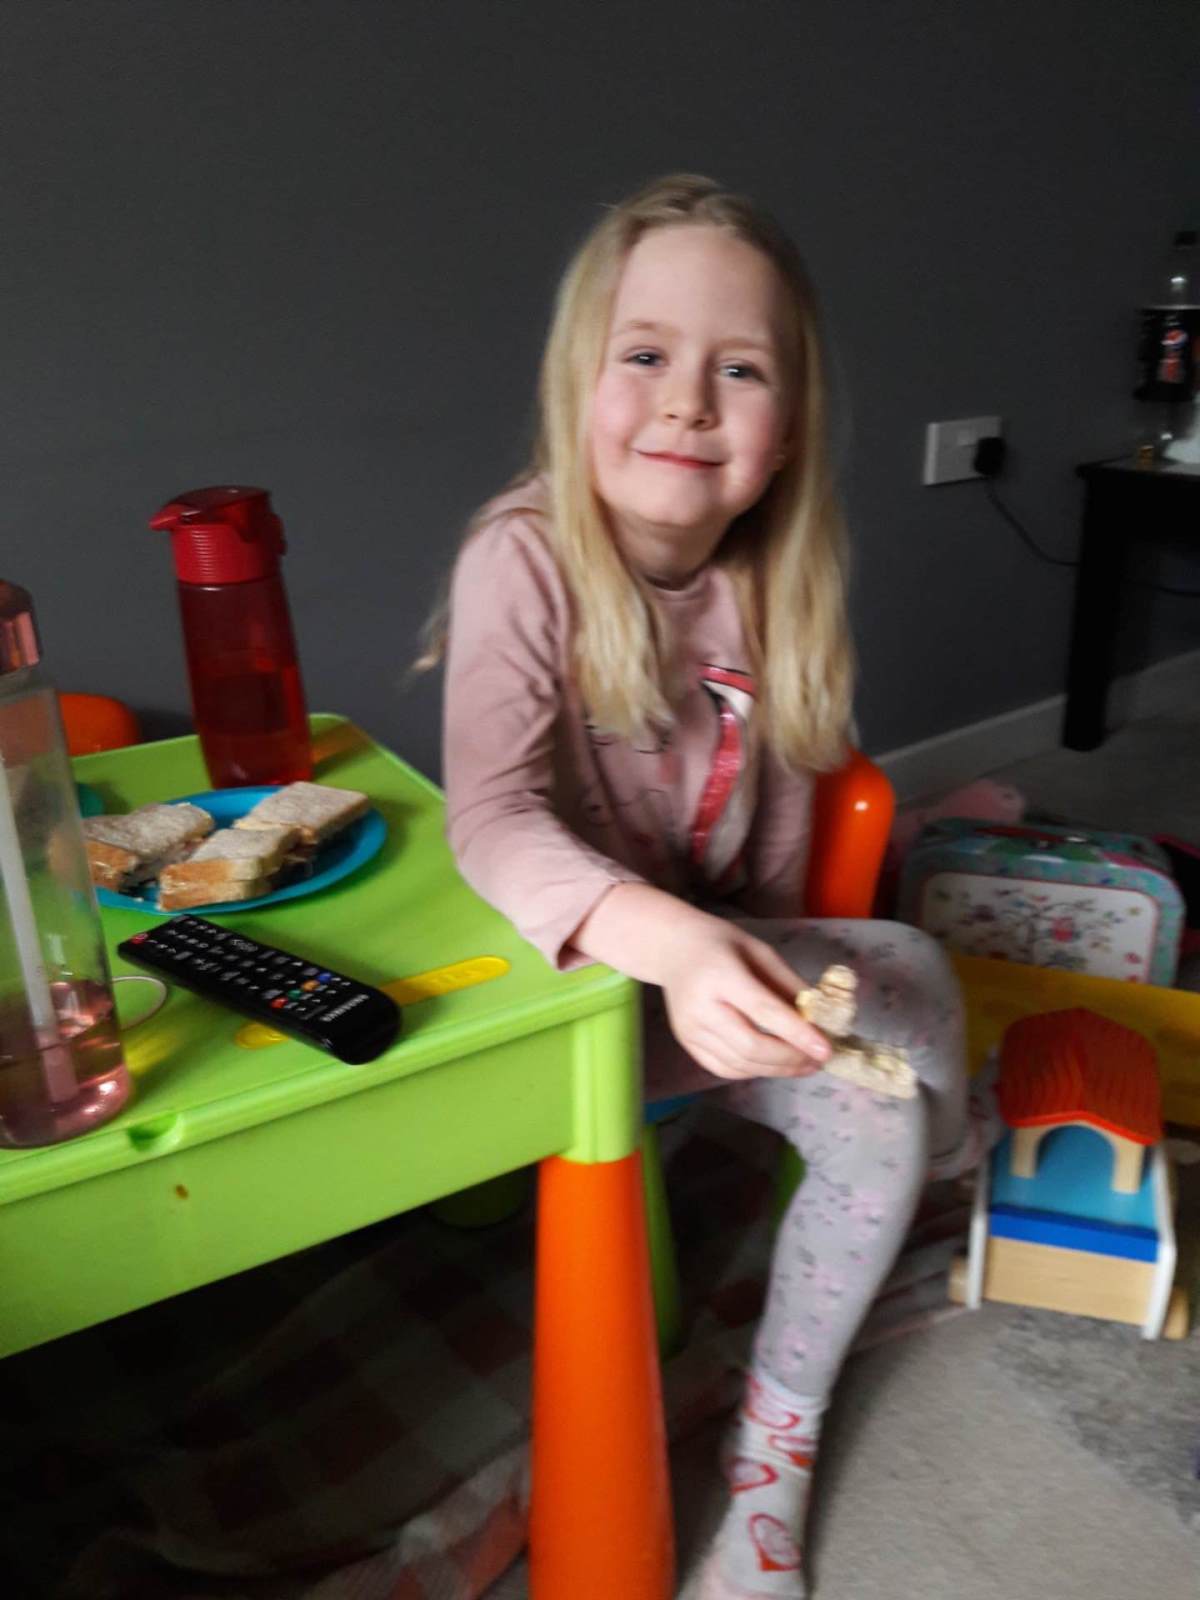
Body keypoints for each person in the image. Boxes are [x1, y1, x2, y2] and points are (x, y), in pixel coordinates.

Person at [423, 174, 981, 1599]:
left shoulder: (779, 580)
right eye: (646, 354)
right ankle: (915, 1146)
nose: (687, 402)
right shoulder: (522, 557)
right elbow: (487, 819)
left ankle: (770, 1464)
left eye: (741, 369)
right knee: (901, 1047)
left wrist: (785, 991)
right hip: (574, 993)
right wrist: (669, 945)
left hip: (724, 973)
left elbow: (781, 851)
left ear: (788, 425)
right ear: (579, 382)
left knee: (909, 1014)